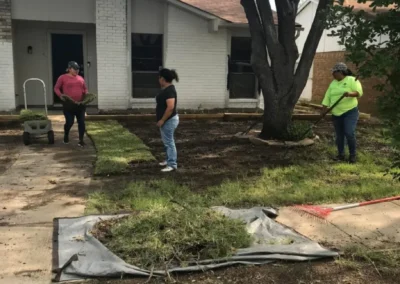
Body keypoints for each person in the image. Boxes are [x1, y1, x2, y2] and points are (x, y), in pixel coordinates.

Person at [322, 62, 363, 164]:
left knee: (349, 132)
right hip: (336, 113)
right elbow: (327, 96)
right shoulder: (333, 83)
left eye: (334, 72)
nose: (332, 74)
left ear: (340, 72)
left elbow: (359, 93)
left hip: (350, 111)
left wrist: (349, 93)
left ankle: (352, 156)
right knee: (339, 135)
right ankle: (341, 155)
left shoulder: (352, 80)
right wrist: (323, 110)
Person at [54, 61, 88, 147]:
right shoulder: (62, 77)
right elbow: (56, 88)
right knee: (70, 122)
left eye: (78, 69)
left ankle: (81, 140)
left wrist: (87, 94)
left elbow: (85, 89)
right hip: (68, 104)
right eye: (74, 69)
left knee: (82, 122)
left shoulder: (81, 78)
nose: (77, 71)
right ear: (69, 69)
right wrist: (60, 95)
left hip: (80, 104)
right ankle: (66, 136)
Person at [156, 68, 179, 172]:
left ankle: (172, 164)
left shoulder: (170, 90)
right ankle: (168, 160)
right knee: (167, 142)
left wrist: (162, 120)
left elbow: (170, 107)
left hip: (169, 120)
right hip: (166, 120)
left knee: (169, 142)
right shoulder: (166, 89)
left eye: (159, 78)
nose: (158, 80)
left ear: (163, 79)